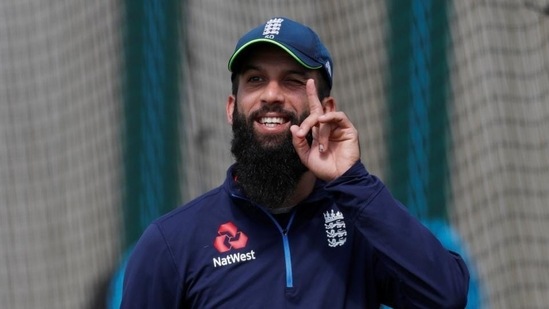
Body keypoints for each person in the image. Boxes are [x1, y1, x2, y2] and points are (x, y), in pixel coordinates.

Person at [121, 17, 469, 308]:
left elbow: (446, 296)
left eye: (292, 81)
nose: (271, 95)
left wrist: (352, 181)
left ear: (326, 110)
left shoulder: (362, 227)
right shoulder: (170, 243)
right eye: (255, 80)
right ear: (231, 108)